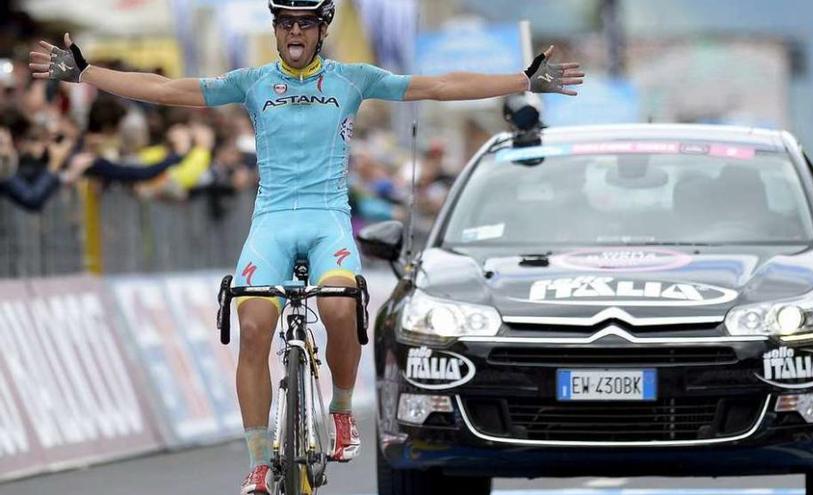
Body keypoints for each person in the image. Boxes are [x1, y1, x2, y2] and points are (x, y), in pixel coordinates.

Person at [29, 1, 584, 493]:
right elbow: (168, 89)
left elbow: (438, 86)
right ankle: (256, 463)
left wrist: (523, 80)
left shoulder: (353, 78)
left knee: (339, 306)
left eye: (305, 22)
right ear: (276, 29)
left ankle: (341, 410)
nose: (294, 31)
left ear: (322, 29)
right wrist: (85, 73)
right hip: (270, 221)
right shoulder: (251, 81)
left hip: (327, 223)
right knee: (250, 326)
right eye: (285, 22)